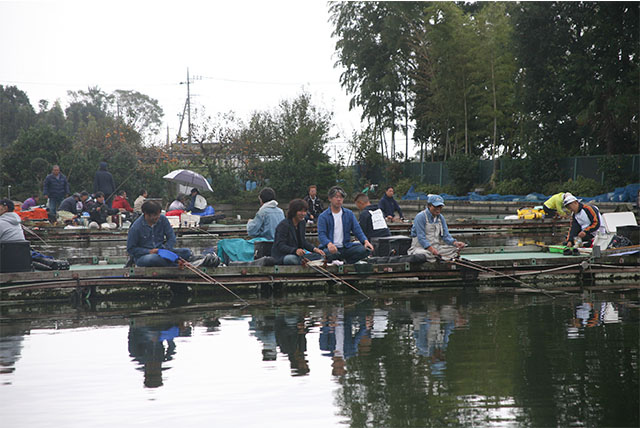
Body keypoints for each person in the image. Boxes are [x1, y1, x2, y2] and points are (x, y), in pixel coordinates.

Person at [317, 186, 374, 264]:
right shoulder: (323, 216)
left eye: (341, 197)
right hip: (331, 248)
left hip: (346, 247)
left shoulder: (349, 214)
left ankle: (346, 262)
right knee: (328, 253)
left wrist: (365, 241)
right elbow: (321, 234)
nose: (339, 199)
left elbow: (357, 230)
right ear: (330, 198)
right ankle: (340, 260)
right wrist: (329, 244)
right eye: (336, 197)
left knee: (366, 250)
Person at [126, 200, 192, 267]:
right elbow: (131, 249)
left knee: (186, 252)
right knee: (153, 259)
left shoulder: (163, 219)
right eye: (155, 215)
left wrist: (166, 250)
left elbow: (171, 237)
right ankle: (176, 264)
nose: (158, 217)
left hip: (162, 251)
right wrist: (149, 251)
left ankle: (175, 261)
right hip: (145, 256)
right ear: (146, 214)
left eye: (159, 214)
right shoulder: (136, 227)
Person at [408, 194, 465, 261]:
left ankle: (438, 258)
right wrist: (431, 249)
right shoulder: (420, 217)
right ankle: (439, 258)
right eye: (436, 207)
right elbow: (421, 238)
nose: (438, 209)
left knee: (454, 249)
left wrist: (455, 243)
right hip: (420, 248)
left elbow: (445, 235)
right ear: (429, 206)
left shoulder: (441, 218)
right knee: (423, 255)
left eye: (440, 207)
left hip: (436, 248)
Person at [272, 198, 325, 265]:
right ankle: (305, 262)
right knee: (291, 259)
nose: (303, 214)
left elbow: (303, 242)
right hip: (284, 256)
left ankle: (306, 261)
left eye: (305, 211)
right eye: (300, 211)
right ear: (294, 211)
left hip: (299, 255)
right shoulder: (284, 225)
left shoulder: (302, 223)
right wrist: (295, 250)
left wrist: (315, 249)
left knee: (320, 256)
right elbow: (280, 245)